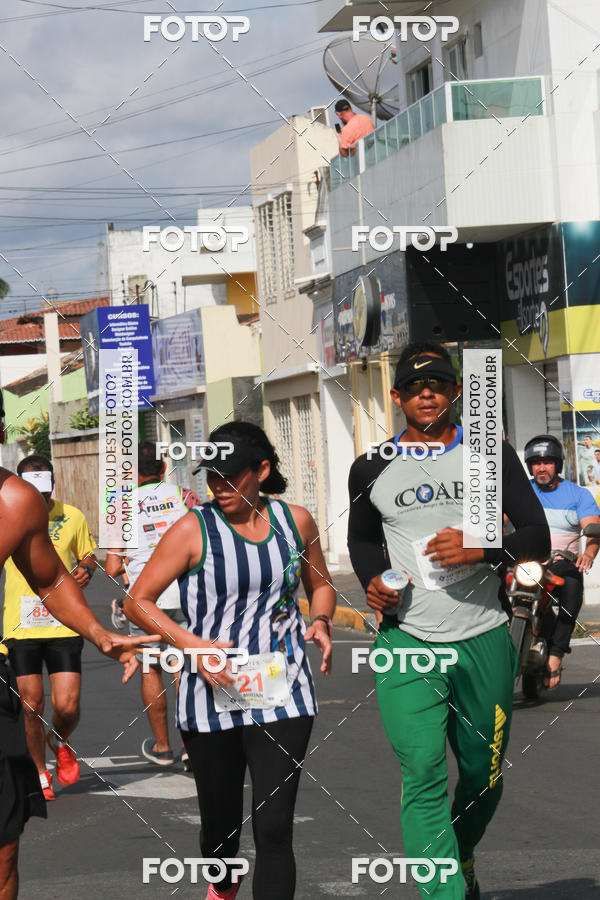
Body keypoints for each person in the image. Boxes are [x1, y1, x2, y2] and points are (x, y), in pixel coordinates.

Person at [347, 341, 550, 900]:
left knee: (483, 779)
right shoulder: (371, 465)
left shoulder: (490, 453)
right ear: (396, 398)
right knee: (424, 771)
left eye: (436, 384)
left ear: (458, 391)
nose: (426, 393)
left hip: (484, 633)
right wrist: (373, 582)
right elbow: (363, 539)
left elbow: (536, 534)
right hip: (407, 639)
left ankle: (460, 851)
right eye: (414, 387)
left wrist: (483, 548)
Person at [125, 421, 335, 900]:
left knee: (275, 828)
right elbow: (139, 601)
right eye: (211, 478)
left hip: (282, 694)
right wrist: (191, 644)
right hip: (209, 696)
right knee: (220, 832)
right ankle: (221, 882)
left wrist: (320, 620)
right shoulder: (192, 529)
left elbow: (319, 583)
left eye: (230, 476)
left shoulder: (295, 522)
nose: (218, 488)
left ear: (261, 470)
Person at [0, 388, 157, 899]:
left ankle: (53, 754)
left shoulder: (16, 502)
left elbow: (48, 579)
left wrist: (99, 631)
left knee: (4, 848)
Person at [2, 455, 96, 801]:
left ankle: (59, 738)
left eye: (45, 491)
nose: (40, 499)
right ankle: (40, 770)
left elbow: (87, 555)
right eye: (32, 491)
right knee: (31, 705)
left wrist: (87, 568)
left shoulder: (72, 515)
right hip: (21, 624)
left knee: (67, 706)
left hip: (63, 622)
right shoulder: (9, 511)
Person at [106, 442, 190, 767]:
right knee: (185, 667)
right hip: (185, 594)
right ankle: (191, 746)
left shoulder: (121, 506)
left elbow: (112, 567)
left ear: (132, 474)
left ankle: (162, 747)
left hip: (145, 601)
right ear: (163, 467)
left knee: (150, 665)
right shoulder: (185, 497)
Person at [524, 434, 600, 688]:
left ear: (558, 464)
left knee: (572, 590)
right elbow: (498, 520)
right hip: (524, 562)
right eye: (536, 462)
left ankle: (556, 653)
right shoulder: (521, 492)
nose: (541, 467)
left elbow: (592, 529)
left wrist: (588, 554)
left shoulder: (578, 495)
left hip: (561, 562)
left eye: (547, 462)